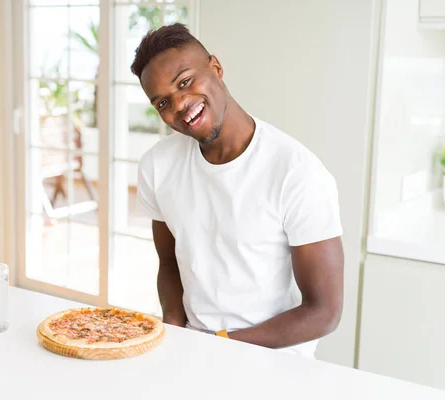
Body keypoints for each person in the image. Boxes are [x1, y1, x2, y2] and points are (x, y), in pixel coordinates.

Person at [131, 23, 344, 358]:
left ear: (215, 67)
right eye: (162, 103)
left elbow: (324, 311)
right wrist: (173, 333)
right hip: (194, 353)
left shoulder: (296, 172)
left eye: (185, 82)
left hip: (277, 363)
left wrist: (223, 344)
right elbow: (168, 261)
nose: (180, 105)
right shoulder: (157, 167)